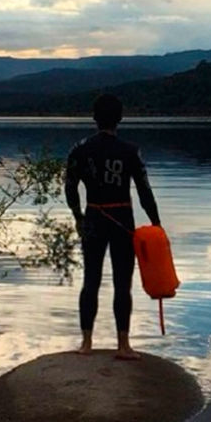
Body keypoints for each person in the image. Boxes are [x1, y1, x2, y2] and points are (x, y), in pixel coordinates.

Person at [65, 93, 161, 359]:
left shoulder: (79, 149)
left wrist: (77, 218)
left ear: (94, 118)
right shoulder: (129, 151)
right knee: (122, 283)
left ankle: (86, 344)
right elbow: (144, 191)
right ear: (119, 118)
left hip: (93, 218)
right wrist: (156, 224)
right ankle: (123, 345)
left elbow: (70, 187)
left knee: (90, 281)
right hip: (122, 219)